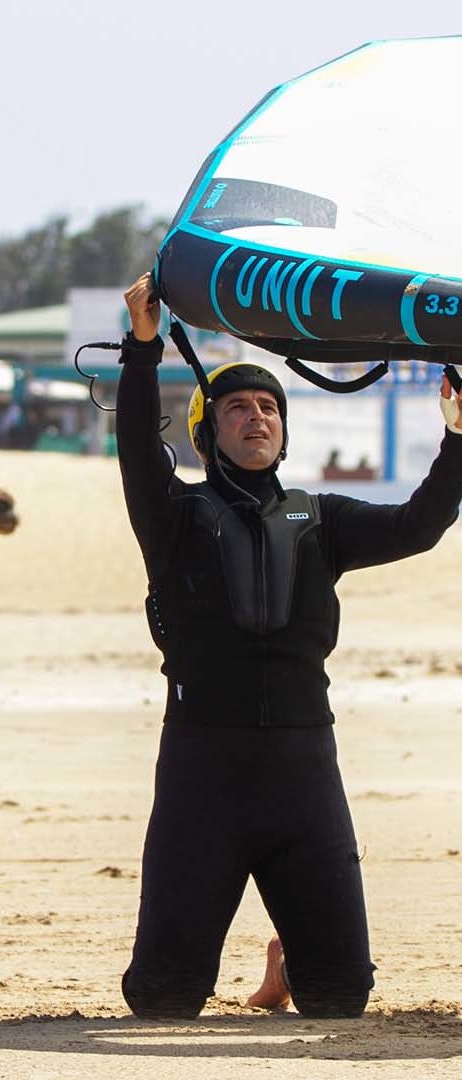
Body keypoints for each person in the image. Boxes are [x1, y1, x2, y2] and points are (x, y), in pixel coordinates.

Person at [117, 272, 462, 1020]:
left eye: (270, 406)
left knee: (341, 998)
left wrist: (458, 435)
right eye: (238, 406)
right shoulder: (174, 516)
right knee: (162, 1000)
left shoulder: (322, 518)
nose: (257, 417)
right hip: (203, 771)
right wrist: (142, 351)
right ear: (209, 432)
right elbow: (138, 451)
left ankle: (286, 963)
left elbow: (419, 526)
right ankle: (261, 955)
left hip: (304, 768)